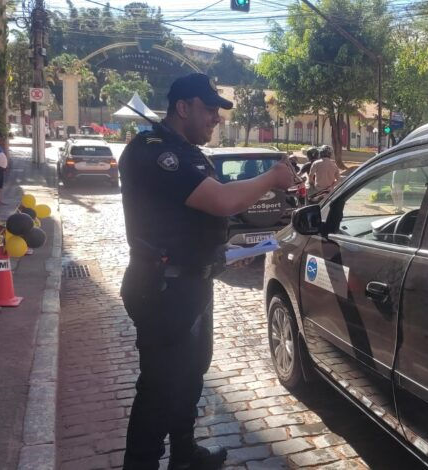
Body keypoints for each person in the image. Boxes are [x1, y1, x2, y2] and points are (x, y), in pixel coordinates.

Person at [118, 73, 297, 470]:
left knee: (191, 376)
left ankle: (185, 454)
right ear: (184, 107)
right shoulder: (157, 151)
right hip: (164, 289)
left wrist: (225, 251)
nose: (216, 118)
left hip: (193, 282)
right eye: (210, 109)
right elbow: (219, 201)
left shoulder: (187, 151)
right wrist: (271, 177)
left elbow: (188, 218)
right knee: (159, 388)